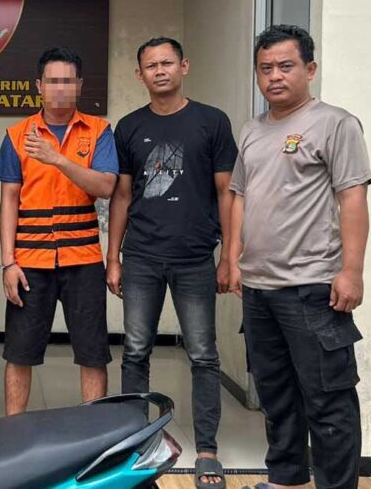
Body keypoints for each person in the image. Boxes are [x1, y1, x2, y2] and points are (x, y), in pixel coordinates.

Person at [228, 25, 371, 489]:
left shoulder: (335, 124)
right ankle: (286, 479)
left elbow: (352, 198)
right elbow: (240, 196)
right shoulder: (252, 130)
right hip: (259, 288)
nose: (275, 76)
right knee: (276, 394)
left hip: (312, 287)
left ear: (310, 69)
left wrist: (351, 271)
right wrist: (233, 258)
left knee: (328, 399)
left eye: (286, 66)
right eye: (265, 68)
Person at [107, 37, 237, 489]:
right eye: (150, 65)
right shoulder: (128, 126)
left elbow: (227, 192)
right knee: (135, 351)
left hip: (196, 257)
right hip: (142, 255)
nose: (159, 70)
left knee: (203, 355)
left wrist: (229, 256)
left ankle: (207, 451)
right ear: (139, 74)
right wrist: (113, 257)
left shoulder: (211, 122)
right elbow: (122, 196)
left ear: (184, 66)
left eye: (167, 62)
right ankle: (134, 445)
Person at [0, 46, 117, 414]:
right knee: (20, 352)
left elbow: (106, 186)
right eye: (52, 81)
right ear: (39, 86)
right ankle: (14, 430)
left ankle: (94, 432)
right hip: (30, 262)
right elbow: (9, 201)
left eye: (67, 81)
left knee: (92, 352)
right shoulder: (17, 135)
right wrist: (8, 262)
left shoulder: (99, 131)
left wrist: (57, 159)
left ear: (79, 85)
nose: (60, 88)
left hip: (83, 259)